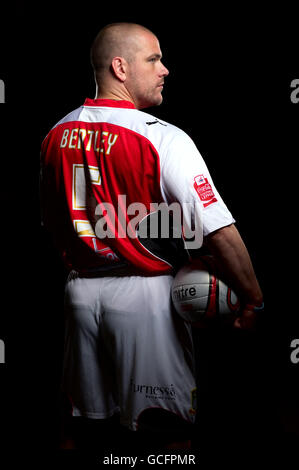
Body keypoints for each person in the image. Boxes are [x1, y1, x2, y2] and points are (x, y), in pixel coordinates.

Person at [40, 22, 263, 452]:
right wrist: (252, 298)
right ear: (120, 67)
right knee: (165, 433)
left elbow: (50, 224)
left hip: (79, 298)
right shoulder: (163, 137)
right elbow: (219, 231)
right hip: (145, 299)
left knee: (83, 430)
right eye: (154, 59)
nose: (165, 70)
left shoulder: (55, 134)